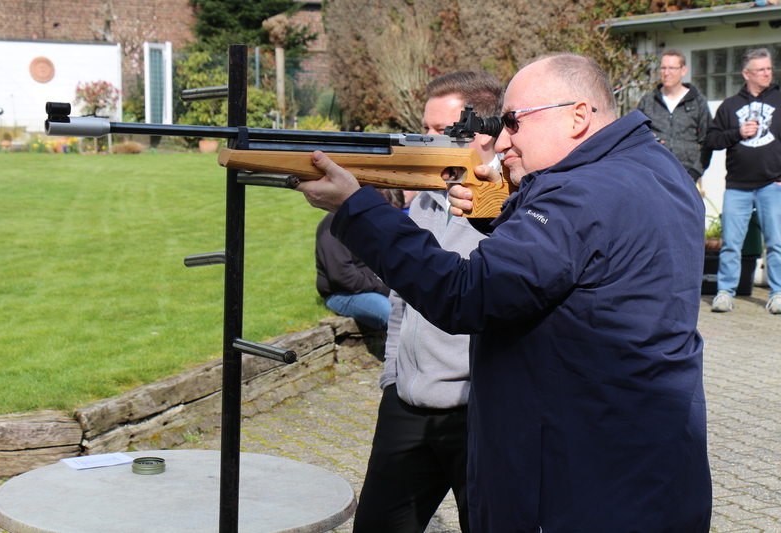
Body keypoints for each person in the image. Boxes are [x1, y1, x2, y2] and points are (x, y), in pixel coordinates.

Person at [298, 53, 711, 532]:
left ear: (578, 115)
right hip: (646, 460)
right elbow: (576, 257)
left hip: (583, 478)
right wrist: (500, 210)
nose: (502, 141)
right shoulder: (654, 166)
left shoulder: (579, 194)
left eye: (514, 122)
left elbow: (464, 294)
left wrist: (356, 208)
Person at [353, 71, 504, 533]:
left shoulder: (510, 209)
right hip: (407, 403)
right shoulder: (424, 201)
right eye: (425, 126)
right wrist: (392, 376)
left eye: (441, 129)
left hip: (478, 413)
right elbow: (402, 296)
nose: (425, 139)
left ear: (482, 131)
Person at [705, 47, 781, 314]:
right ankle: (725, 293)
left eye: (769, 68)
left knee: (776, 243)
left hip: (772, 184)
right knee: (731, 245)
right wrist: (737, 132)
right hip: (737, 186)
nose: (767, 73)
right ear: (747, 73)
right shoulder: (730, 106)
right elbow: (712, 140)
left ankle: (778, 293)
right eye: (761, 70)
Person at [314, 189, 402, 330]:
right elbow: (342, 274)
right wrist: (385, 291)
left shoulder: (371, 224)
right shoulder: (335, 222)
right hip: (343, 293)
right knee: (393, 315)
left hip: (376, 289)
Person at [637, 49, 712, 184]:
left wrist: (695, 172)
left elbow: (708, 140)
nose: (667, 73)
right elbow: (635, 137)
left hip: (688, 176)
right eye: (663, 68)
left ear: (683, 70)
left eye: (672, 68)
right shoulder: (648, 101)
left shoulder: (697, 101)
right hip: (654, 175)